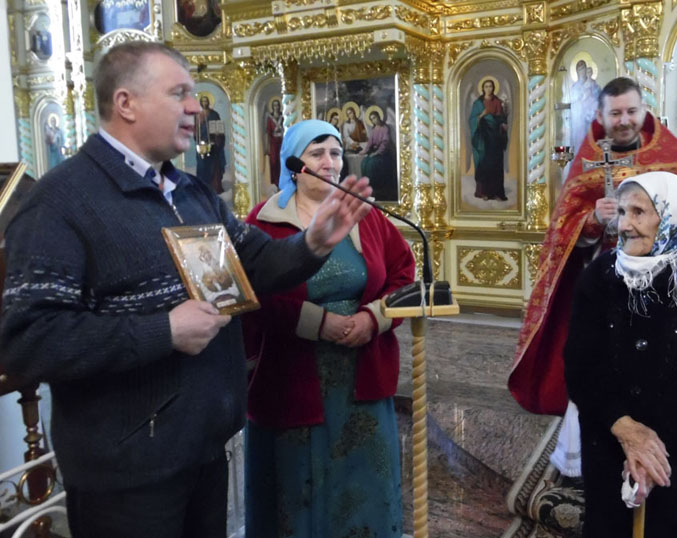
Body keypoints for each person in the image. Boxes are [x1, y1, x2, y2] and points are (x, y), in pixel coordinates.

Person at [0, 42, 372, 538]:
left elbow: (256, 263)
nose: (196, 107)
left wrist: (312, 244)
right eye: (179, 93)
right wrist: (164, 331)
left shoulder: (191, 192)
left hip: (203, 449)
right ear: (126, 103)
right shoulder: (61, 203)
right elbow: (29, 341)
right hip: (127, 476)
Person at [509, 76, 677, 432]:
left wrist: (668, 219)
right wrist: (592, 219)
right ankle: (616, 425)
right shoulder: (589, 161)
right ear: (601, 116)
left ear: (644, 111)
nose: (624, 120)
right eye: (615, 113)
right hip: (612, 282)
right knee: (613, 359)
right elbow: (564, 230)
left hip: (671, 282)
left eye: (631, 111)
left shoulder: (673, 157)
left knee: (670, 359)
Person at [241, 119, 414, 538]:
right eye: (317, 153)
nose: (330, 162)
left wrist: (373, 319)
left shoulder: (365, 216)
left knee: (363, 479)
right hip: (292, 375)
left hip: (361, 373)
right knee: (298, 483)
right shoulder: (264, 220)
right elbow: (251, 293)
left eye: (336, 153)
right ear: (294, 164)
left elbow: (403, 276)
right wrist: (318, 324)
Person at [564, 172, 677, 538]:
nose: (624, 225)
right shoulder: (600, 274)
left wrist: (651, 453)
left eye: (639, 212)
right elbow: (581, 364)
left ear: (672, 215)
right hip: (610, 451)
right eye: (622, 212)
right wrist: (624, 428)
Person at [468, 77, 508, 201]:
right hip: (483, 139)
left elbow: (501, 118)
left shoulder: (498, 102)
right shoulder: (478, 104)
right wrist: (482, 114)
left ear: (494, 88)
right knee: (484, 163)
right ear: (483, 88)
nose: (489, 89)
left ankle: (496, 193)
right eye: (486, 86)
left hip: (495, 138)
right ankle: (483, 192)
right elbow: (472, 120)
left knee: (496, 164)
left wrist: (503, 124)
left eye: (490, 86)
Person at [360, 109, 399, 201]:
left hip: (384, 153)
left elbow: (385, 143)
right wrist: (365, 151)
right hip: (375, 151)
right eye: (372, 119)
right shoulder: (374, 129)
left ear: (379, 117)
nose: (374, 120)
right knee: (364, 162)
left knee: (373, 163)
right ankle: (368, 186)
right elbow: (370, 142)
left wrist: (376, 153)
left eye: (375, 117)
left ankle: (377, 188)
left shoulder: (385, 128)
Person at [195, 94, 226, 194]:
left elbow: (219, 129)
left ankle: (214, 187)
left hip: (213, 144)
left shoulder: (214, 114)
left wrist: (217, 137)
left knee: (213, 165)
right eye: (202, 101)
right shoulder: (197, 115)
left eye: (206, 101)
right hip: (202, 144)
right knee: (202, 166)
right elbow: (195, 130)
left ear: (209, 102)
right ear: (200, 102)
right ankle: (202, 188)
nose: (204, 103)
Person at [263, 97, 284, 188]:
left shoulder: (283, 117)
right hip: (273, 143)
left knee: (281, 161)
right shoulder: (270, 118)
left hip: (282, 142)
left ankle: (282, 181)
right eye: (274, 105)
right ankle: (275, 182)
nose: (276, 107)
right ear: (272, 107)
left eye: (277, 105)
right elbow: (268, 132)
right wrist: (267, 146)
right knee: (274, 162)